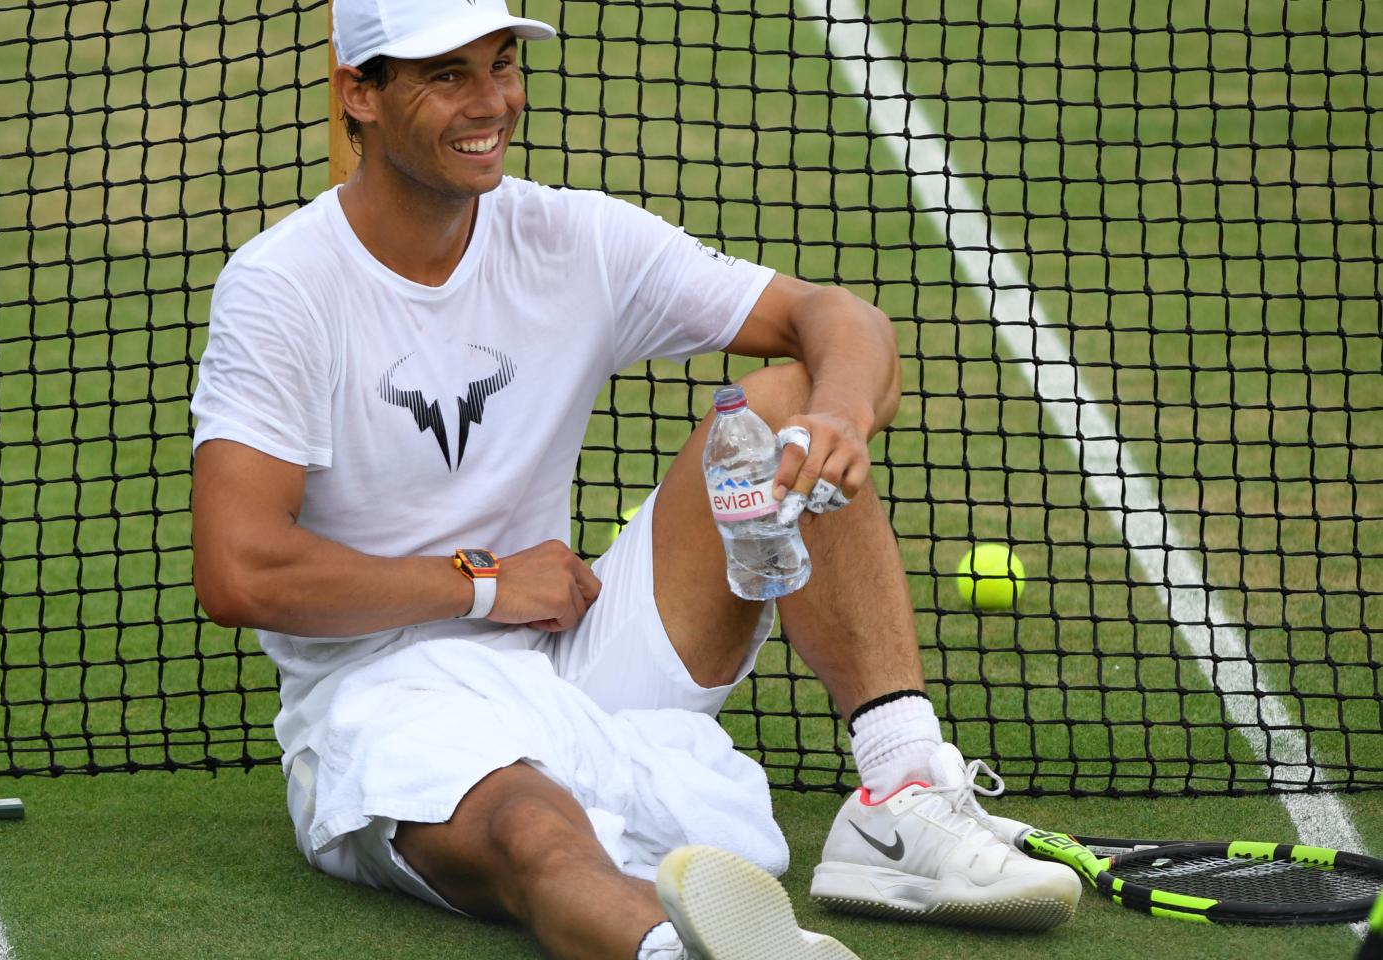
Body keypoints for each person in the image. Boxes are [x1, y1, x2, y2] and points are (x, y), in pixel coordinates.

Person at [189, 0, 1080, 956]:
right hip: (379, 695)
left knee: (787, 397)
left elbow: (833, 316)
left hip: (568, 650)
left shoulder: (568, 238)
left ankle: (898, 791)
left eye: (500, 64)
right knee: (539, 830)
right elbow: (241, 574)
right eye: (447, 76)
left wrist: (840, 416)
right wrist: (483, 583)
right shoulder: (282, 288)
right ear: (358, 93)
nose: (491, 101)